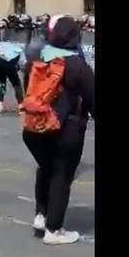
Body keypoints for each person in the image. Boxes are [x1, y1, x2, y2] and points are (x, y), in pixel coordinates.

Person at [21, 16, 95, 245]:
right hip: (66, 129)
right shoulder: (78, 66)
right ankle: (54, 229)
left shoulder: (37, 59)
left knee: (45, 168)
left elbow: (28, 89)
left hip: (34, 128)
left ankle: (41, 215)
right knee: (62, 176)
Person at [0, 19, 26, 114]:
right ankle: (21, 105)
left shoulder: (4, 40)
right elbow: (22, 62)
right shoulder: (20, 45)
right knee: (16, 83)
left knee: (1, 82)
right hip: (8, 61)